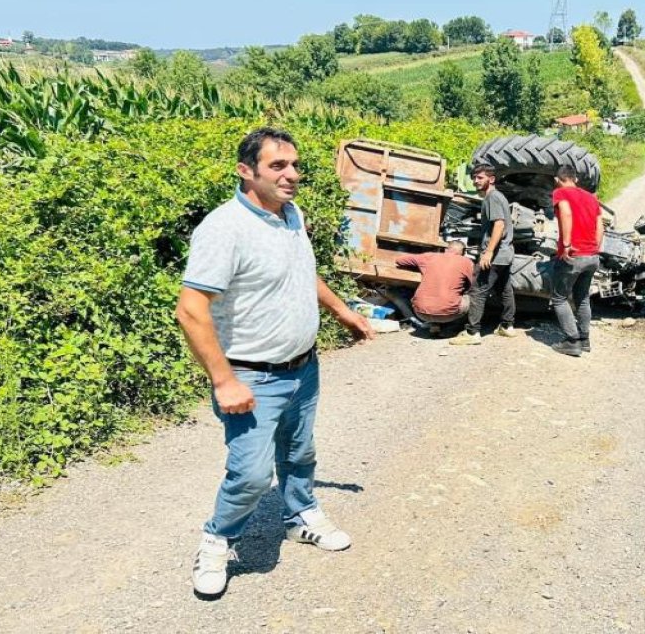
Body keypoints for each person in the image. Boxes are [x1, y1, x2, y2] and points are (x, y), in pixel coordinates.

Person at [175, 127, 375, 599]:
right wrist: (223, 380)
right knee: (250, 473)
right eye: (278, 166)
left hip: (302, 367)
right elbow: (190, 309)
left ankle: (299, 517)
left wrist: (344, 312)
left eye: (295, 165)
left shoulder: (291, 215)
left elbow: (304, 273)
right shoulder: (224, 228)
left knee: (299, 453)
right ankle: (216, 541)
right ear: (247, 172)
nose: (292, 175)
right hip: (250, 376)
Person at [451, 164, 518, 345]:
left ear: (492, 179)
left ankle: (472, 332)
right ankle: (507, 326)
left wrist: (488, 252)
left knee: (478, 290)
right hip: (505, 254)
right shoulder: (498, 197)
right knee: (504, 290)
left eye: (480, 177)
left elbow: (499, 225)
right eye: (474, 178)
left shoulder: (493, 198)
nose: (475, 181)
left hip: (495, 255)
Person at [548, 165, 604, 358]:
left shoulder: (560, 192)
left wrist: (567, 243)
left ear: (558, 179)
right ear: (576, 179)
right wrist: (595, 247)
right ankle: (584, 339)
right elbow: (600, 224)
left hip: (573, 255)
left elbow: (565, 212)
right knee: (582, 298)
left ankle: (571, 342)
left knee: (559, 298)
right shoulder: (591, 197)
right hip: (592, 256)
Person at [396, 240, 475, 335]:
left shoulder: (429, 257)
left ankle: (435, 325)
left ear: (446, 249)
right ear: (463, 252)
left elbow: (399, 260)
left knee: (432, 293)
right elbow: (472, 284)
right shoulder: (466, 262)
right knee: (470, 297)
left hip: (420, 313)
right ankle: (453, 328)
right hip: (448, 315)